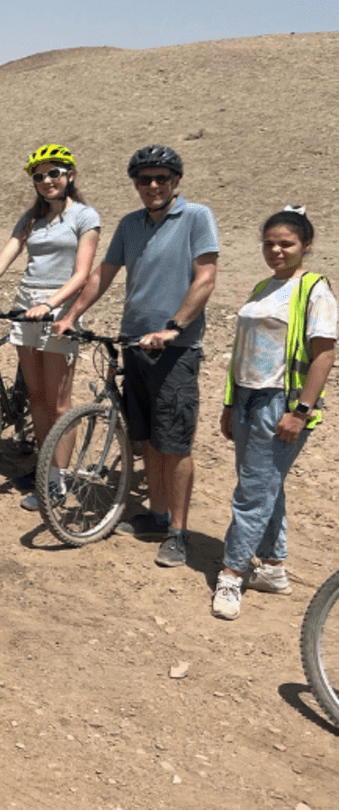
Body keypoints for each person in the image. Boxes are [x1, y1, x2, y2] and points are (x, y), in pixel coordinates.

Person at [54, 144, 218, 569]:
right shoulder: (130, 225)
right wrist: (72, 314)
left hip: (175, 350)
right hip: (134, 345)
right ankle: (157, 516)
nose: (153, 186)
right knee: (147, 439)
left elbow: (205, 279)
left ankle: (178, 533)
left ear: (175, 181)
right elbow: (103, 275)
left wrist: (174, 327)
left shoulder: (197, 217)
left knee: (175, 443)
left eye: (162, 178)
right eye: (144, 179)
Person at [0, 144, 101, 509]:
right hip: (25, 309)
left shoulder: (85, 217)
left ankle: (58, 481)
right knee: (37, 397)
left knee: (58, 403)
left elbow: (82, 274)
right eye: (39, 176)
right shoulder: (31, 220)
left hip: (58, 312)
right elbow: (2, 261)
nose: (47, 181)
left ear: (70, 175)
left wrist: (50, 304)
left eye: (54, 173)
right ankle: (46, 468)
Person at [212, 208, 335, 619]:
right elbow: (242, 352)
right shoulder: (262, 287)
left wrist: (301, 410)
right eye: (269, 243)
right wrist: (230, 403)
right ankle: (274, 568)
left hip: (279, 404)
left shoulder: (314, 289)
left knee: (252, 492)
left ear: (306, 245)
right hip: (247, 398)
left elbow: (324, 355)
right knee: (266, 486)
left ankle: (231, 574)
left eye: (286, 243)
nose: (277, 250)